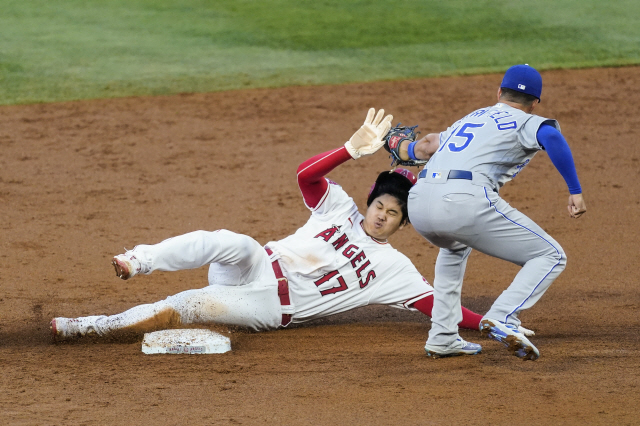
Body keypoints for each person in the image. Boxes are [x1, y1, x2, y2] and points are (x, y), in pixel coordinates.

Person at [50, 109, 512, 344]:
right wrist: (348, 151)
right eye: (380, 205)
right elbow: (306, 176)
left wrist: (491, 326)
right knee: (231, 242)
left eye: (394, 214)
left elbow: (442, 308)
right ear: (370, 201)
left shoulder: (396, 271)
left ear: (402, 224)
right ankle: (138, 259)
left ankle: (88, 327)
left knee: (187, 303)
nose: (382, 215)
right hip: (254, 266)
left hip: (268, 306)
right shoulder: (339, 209)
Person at [393, 65, 587, 360]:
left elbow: (426, 146)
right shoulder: (527, 120)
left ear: (499, 93)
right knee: (550, 255)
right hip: (462, 201)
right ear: (534, 103)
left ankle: (443, 336)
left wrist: (400, 145)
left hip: (418, 201)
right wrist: (575, 190)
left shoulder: (472, 117)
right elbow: (554, 139)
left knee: (454, 248)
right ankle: (504, 316)